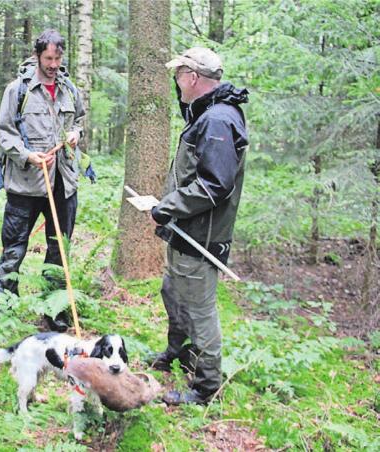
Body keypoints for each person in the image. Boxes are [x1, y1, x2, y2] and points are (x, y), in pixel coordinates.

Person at [147, 47, 249, 405]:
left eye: (179, 76)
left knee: (200, 310)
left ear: (192, 78)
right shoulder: (206, 114)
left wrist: (167, 207)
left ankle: (206, 388)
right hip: (185, 230)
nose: (176, 82)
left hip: (200, 236)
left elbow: (214, 185)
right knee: (172, 291)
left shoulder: (218, 120)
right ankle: (178, 353)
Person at [0, 29, 86, 332]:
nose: (53, 64)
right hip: (25, 184)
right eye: (48, 58)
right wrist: (27, 155)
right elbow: (4, 132)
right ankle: (4, 308)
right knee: (14, 248)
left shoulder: (69, 89)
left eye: (58, 58)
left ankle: (54, 310)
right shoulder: (17, 90)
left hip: (63, 183)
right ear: (37, 56)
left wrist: (75, 134)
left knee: (59, 249)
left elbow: (80, 121)